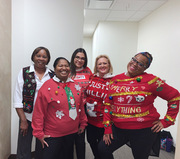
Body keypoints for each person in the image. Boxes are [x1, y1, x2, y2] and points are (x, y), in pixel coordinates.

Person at [98, 52, 180, 159]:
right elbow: (108, 104)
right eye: (134, 59)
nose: (135, 64)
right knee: (102, 149)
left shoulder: (152, 81)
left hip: (143, 131)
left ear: (145, 68)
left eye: (141, 64)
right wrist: (107, 127)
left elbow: (174, 97)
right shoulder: (115, 80)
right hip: (118, 128)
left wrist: (166, 121)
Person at [32, 57, 87, 159]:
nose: (64, 68)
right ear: (54, 68)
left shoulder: (76, 86)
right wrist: (38, 132)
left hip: (71, 133)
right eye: (60, 65)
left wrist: (83, 123)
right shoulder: (47, 86)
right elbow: (39, 112)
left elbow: (80, 107)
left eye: (66, 66)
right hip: (52, 135)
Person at [13, 46, 54, 159]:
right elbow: (17, 98)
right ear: (33, 57)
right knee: (23, 149)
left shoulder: (52, 75)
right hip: (27, 117)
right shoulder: (24, 72)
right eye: (38, 55)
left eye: (44, 56)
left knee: (43, 147)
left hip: (46, 119)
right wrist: (23, 120)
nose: (41, 59)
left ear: (48, 59)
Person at [86, 55, 114, 159]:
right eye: (100, 64)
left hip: (104, 121)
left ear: (109, 65)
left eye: (105, 63)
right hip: (90, 120)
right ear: (96, 66)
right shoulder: (92, 77)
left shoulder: (113, 80)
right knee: (91, 141)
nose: (102, 66)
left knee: (104, 148)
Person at [70, 48, 92, 159]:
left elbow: (92, 88)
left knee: (80, 138)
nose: (80, 60)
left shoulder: (88, 71)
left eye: (83, 58)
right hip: (68, 108)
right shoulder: (67, 70)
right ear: (73, 58)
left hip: (83, 108)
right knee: (68, 138)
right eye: (77, 57)